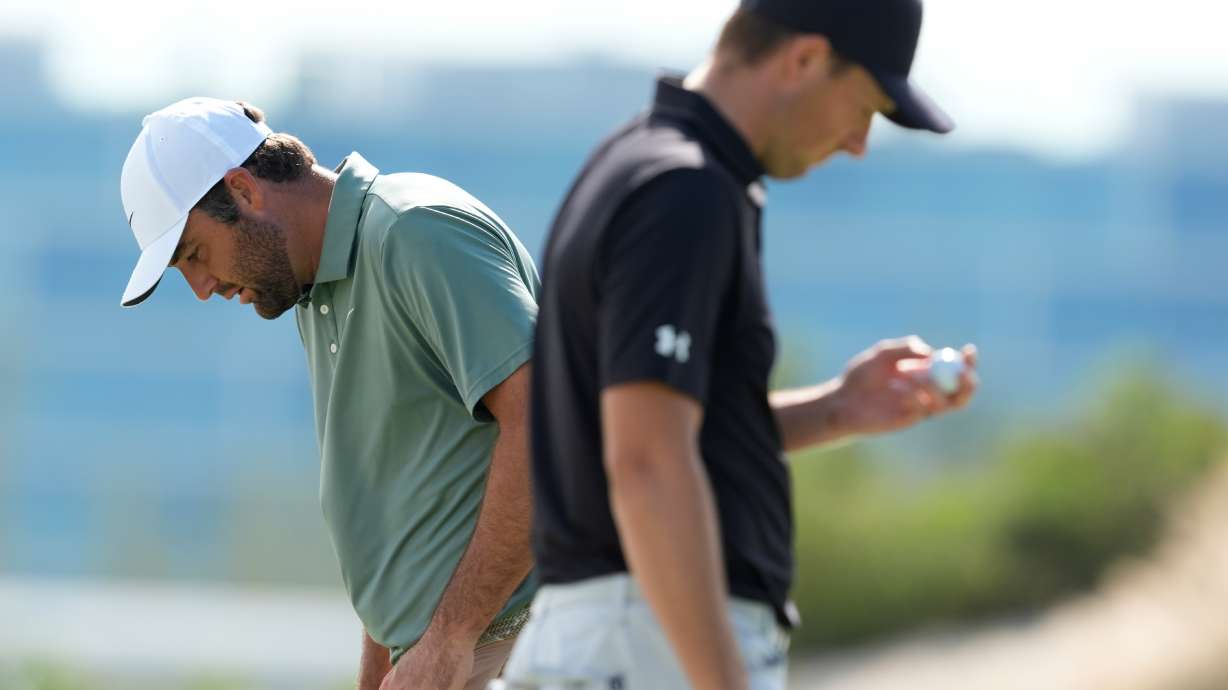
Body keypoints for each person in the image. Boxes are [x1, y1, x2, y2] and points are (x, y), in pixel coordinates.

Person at [503, 1, 977, 688]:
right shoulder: (685, 191)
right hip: (646, 641)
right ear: (805, 59)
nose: (857, 143)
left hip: (620, 635)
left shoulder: (639, 163)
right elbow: (646, 464)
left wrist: (838, 410)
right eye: (866, 107)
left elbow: (653, 436)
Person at [117, 98, 538, 690]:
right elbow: (399, 510)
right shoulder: (311, 285)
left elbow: (548, 423)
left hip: (521, 645)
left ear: (242, 191)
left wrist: (450, 637)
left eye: (193, 254)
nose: (202, 288)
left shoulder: (415, 232)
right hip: (443, 656)